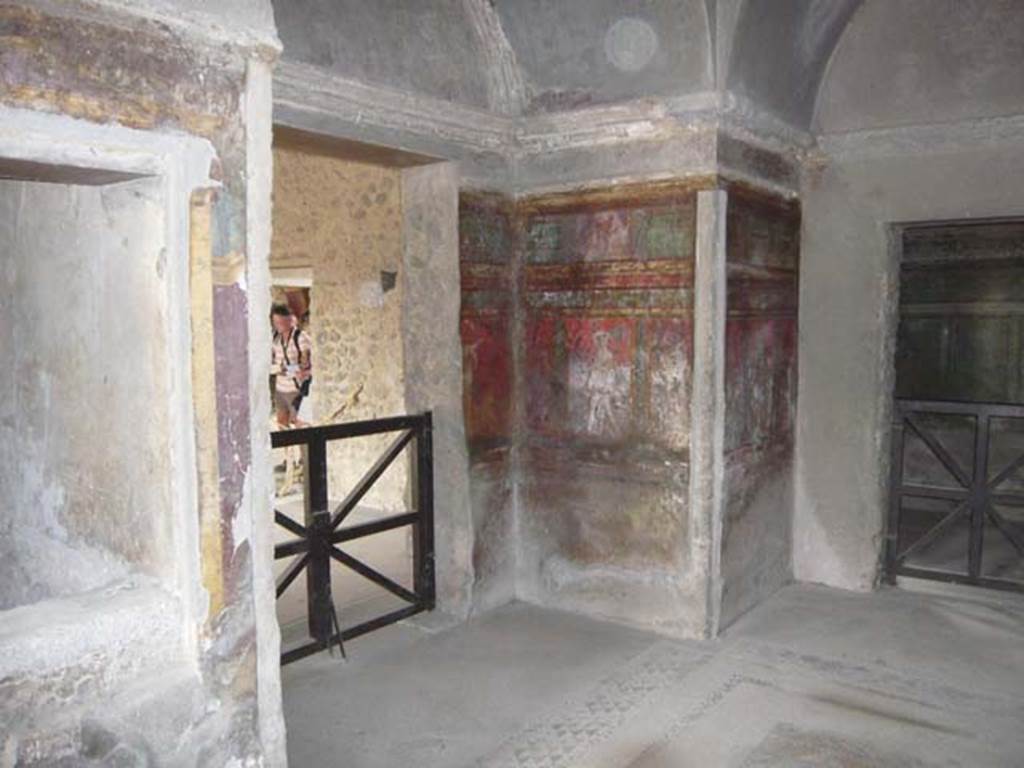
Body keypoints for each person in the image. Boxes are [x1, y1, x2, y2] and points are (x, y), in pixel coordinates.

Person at [271, 303, 312, 428]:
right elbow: (273, 361)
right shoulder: (275, 338)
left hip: (296, 390)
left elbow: (306, 365)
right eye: (276, 322)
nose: (278, 326)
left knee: (299, 426)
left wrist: (284, 369)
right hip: (280, 389)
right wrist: (278, 369)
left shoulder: (301, 337)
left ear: (289, 320)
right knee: (281, 425)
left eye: (281, 322)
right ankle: (287, 448)